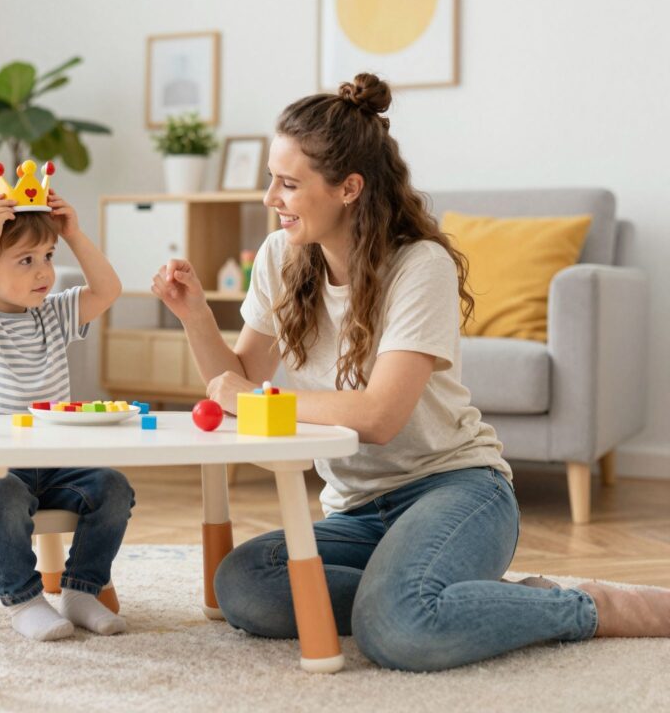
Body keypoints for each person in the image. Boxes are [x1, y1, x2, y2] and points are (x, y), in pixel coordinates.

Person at [151, 73, 670, 670]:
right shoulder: (280, 256)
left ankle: (582, 607)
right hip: (355, 509)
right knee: (244, 583)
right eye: (273, 178)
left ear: (348, 188)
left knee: (397, 629)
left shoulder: (420, 266)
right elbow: (236, 377)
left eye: (289, 184)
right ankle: (427, 593)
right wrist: (193, 316)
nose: (270, 197)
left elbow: (379, 416)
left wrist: (250, 398)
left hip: (457, 490)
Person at [0, 185, 133, 641]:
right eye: (26, 261)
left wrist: (75, 235)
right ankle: (23, 599)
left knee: (112, 488)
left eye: (47, 256)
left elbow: (108, 290)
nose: (44, 271)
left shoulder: (52, 314)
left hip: (55, 465)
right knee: (1, 495)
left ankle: (81, 591)